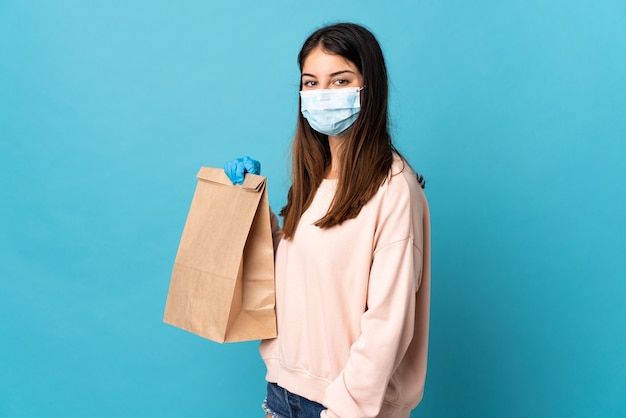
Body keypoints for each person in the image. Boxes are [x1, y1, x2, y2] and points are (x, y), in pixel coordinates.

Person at [224, 22, 430, 418]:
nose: (323, 95)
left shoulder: (394, 188)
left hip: (342, 408)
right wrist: (245, 204)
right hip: (283, 393)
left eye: (340, 80)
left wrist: (342, 411)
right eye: (311, 82)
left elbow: (388, 323)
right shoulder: (314, 177)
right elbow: (292, 272)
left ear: (369, 88)